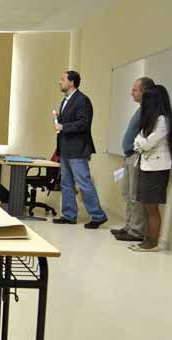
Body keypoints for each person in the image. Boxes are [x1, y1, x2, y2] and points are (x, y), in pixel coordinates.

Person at [52, 70, 108, 228]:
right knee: (66, 183)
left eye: (62, 79)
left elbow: (84, 123)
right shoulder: (65, 101)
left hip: (77, 149)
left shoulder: (82, 100)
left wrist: (63, 125)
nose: (59, 82)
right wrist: (59, 119)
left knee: (84, 183)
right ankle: (69, 215)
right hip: (65, 148)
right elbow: (68, 123)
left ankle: (98, 216)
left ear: (72, 82)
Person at [111, 77, 156, 241]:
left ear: (144, 92)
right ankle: (129, 226)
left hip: (138, 157)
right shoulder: (140, 109)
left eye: (135, 90)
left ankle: (136, 231)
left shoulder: (149, 111)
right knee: (128, 195)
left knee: (135, 196)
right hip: (130, 155)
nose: (131, 93)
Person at [131, 85, 172, 252]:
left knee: (152, 207)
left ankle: (152, 243)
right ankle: (147, 239)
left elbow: (146, 143)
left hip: (157, 169)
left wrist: (141, 142)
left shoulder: (163, 120)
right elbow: (139, 141)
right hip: (146, 166)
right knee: (146, 206)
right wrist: (141, 141)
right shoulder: (151, 120)